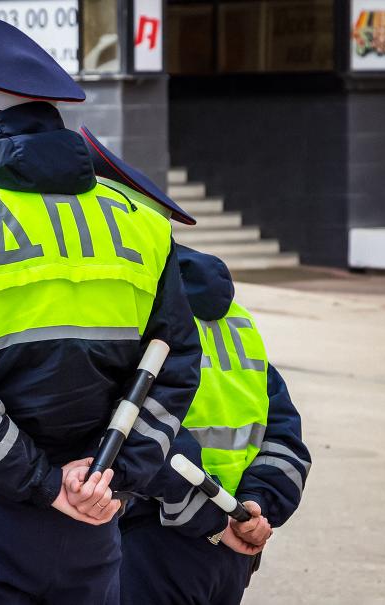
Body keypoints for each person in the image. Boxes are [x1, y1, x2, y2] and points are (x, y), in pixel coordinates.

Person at [0, 17, 202, 604]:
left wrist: (42, 483)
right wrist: (112, 473)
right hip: (97, 508)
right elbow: (177, 364)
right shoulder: (141, 224)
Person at [82, 126, 312, 605]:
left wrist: (214, 518)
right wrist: (256, 508)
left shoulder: (134, 310)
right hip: (233, 546)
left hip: (155, 541)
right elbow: (285, 435)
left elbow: (134, 432)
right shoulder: (235, 316)